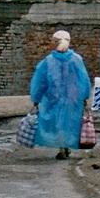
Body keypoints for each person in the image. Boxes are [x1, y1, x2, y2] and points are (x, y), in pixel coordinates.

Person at [29, 29, 92, 160]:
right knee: (70, 121)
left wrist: (36, 98)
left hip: (53, 97)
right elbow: (84, 79)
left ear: (54, 43)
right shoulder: (77, 59)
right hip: (73, 97)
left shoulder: (48, 61)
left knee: (56, 122)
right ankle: (67, 144)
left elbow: (40, 82)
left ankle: (61, 148)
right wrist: (85, 96)